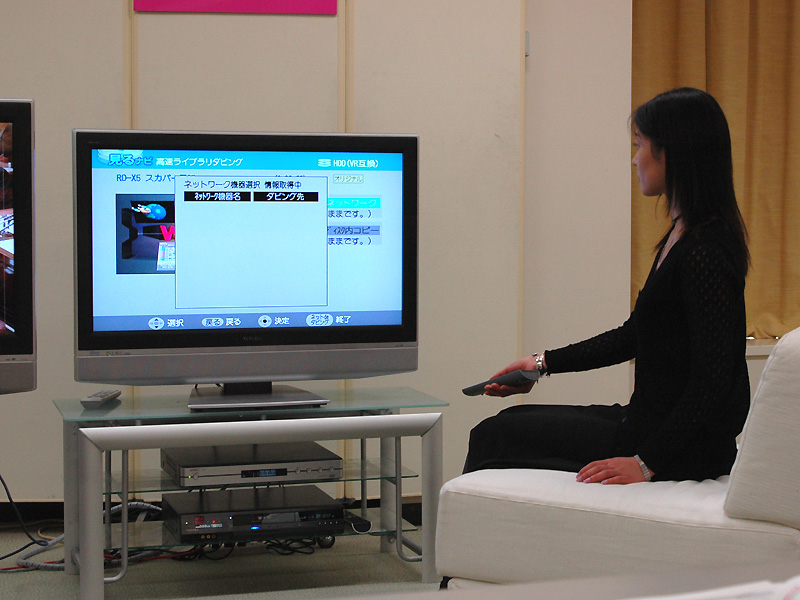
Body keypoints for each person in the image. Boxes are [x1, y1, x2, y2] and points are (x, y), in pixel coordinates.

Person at [465, 87, 750, 484]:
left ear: (671, 153)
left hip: (677, 449)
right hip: (645, 423)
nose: (634, 159)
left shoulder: (706, 250)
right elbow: (635, 335)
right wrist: (541, 364)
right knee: (507, 421)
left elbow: (714, 379)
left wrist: (646, 463)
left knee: (494, 436)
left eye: (640, 145)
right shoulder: (683, 236)